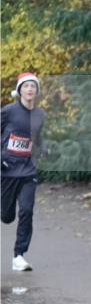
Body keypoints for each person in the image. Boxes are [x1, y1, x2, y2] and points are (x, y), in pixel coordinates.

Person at [2, 72, 47, 272]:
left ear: (36, 91)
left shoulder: (40, 114)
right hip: (7, 170)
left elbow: (37, 136)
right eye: (26, 86)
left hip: (28, 170)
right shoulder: (8, 111)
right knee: (6, 216)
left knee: (27, 211)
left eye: (33, 86)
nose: (30, 89)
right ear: (20, 90)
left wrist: (43, 146)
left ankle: (19, 255)